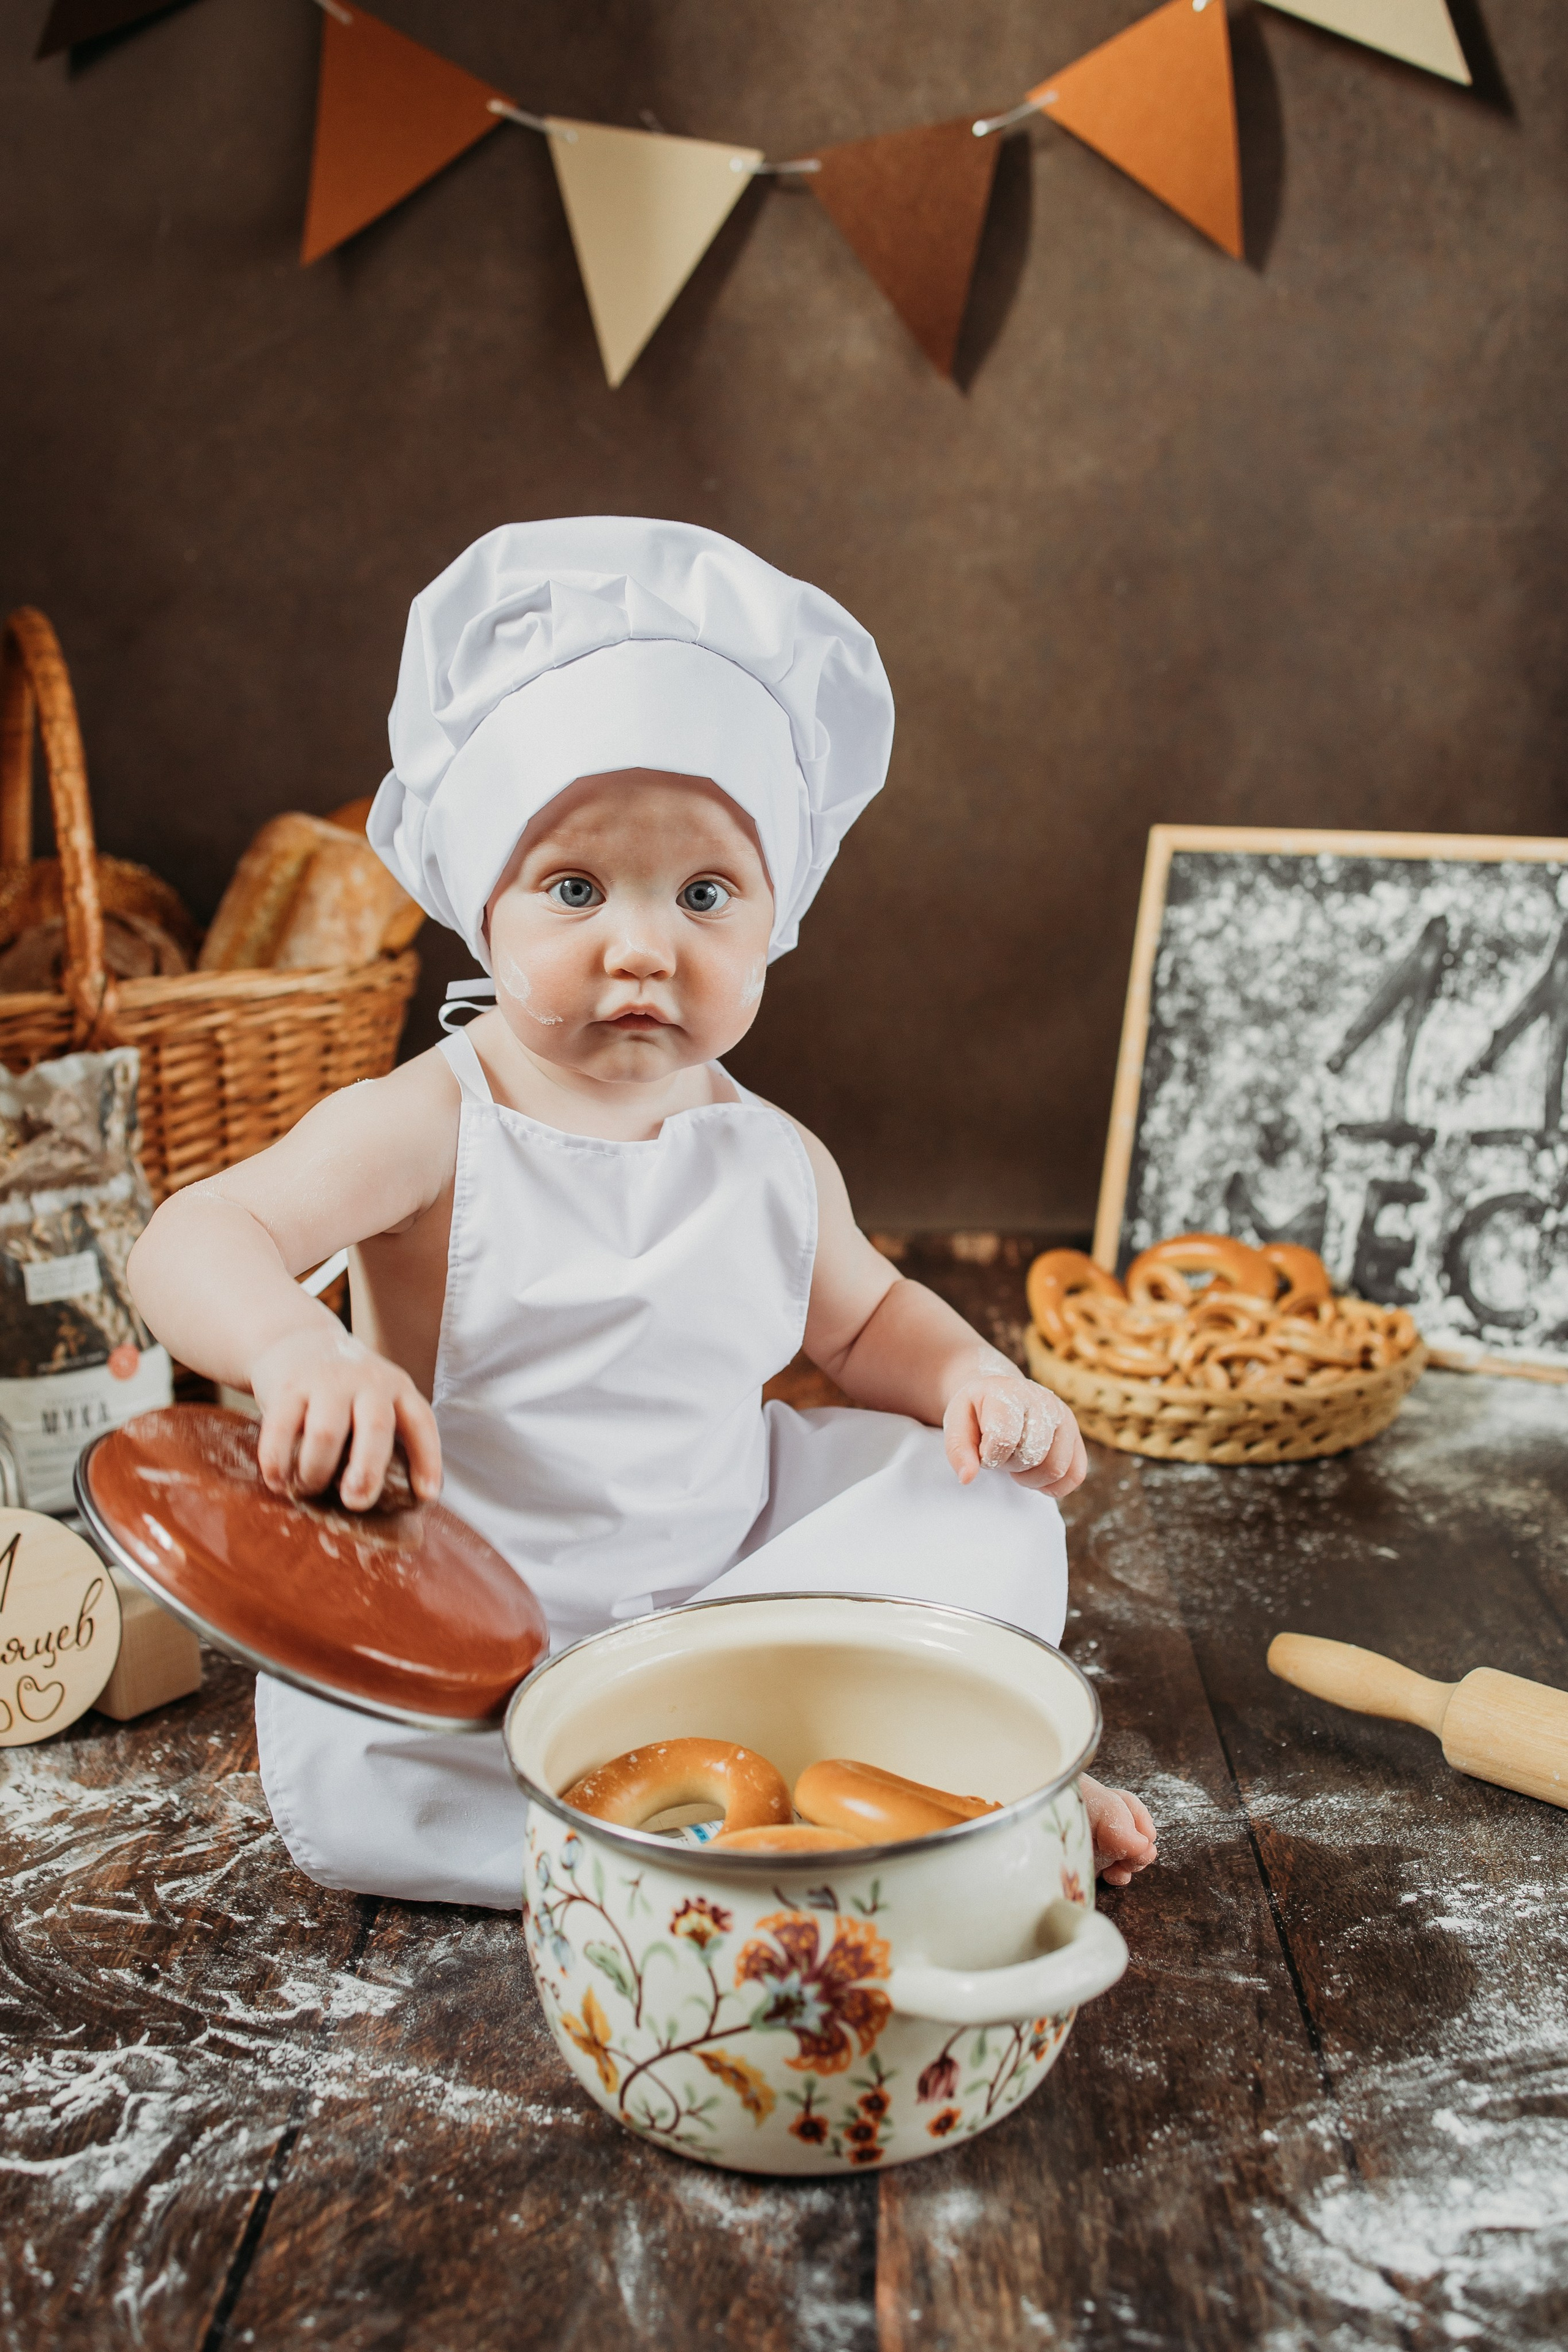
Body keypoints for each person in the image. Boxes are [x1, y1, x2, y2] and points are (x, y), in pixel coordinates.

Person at [129, 518, 1157, 1907]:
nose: (640, 943)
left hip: (724, 1593)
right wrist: (297, 1353)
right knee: (431, 1768)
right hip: (486, 1631)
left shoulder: (771, 1153)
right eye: (572, 888)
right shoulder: (432, 1120)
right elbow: (190, 1238)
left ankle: (926, 1783)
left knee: (989, 1522)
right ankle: (889, 1806)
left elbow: (865, 1325)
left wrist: (971, 1375)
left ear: (771, 922)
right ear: (478, 908)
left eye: (704, 893)